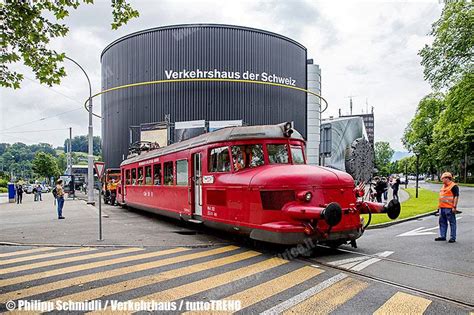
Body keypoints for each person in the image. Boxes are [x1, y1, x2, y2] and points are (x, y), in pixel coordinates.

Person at [435, 172, 459, 243]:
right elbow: (442, 197)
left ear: (447, 178)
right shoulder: (443, 186)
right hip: (442, 207)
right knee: (442, 222)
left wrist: (454, 207)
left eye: (443, 178)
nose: (442, 180)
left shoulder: (453, 186)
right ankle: (443, 236)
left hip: (449, 208)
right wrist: (439, 207)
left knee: (452, 223)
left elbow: (456, 197)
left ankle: (453, 237)